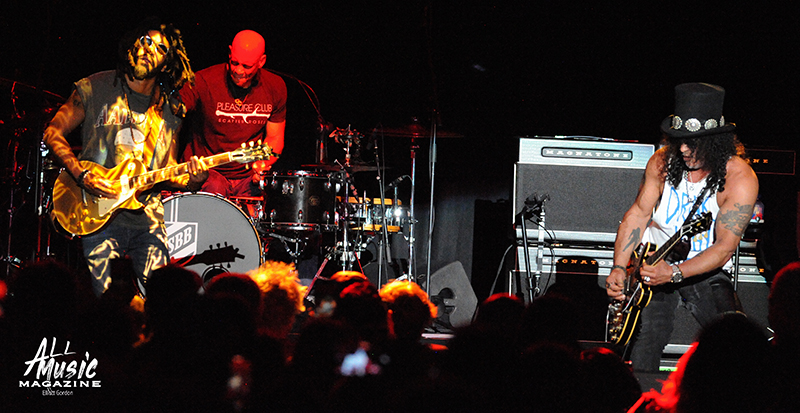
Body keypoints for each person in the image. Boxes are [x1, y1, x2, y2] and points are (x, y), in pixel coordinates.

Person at [43, 18, 209, 297]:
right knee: (107, 302)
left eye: (160, 48)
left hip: (148, 218)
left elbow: (167, 169)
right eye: (144, 41)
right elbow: (53, 132)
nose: (148, 49)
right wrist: (81, 174)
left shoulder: (170, 108)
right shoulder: (96, 86)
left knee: (162, 300)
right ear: (131, 45)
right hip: (96, 213)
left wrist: (193, 180)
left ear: (167, 64)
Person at [606, 82, 759, 372]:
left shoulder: (739, 177)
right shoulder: (662, 161)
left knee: (732, 341)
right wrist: (618, 266)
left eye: (694, 143)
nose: (684, 149)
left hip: (705, 267)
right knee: (647, 339)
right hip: (655, 262)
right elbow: (638, 214)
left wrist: (675, 273)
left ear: (715, 142)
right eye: (679, 141)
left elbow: (724, 247)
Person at [180, 29, 287, 197]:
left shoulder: (275, 86)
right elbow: (171, 114)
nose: (238, 70)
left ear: (261, 61)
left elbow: (275, 137)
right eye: (234, 62)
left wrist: (262, 165)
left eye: (247, 66)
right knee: (215, 187)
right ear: (230, 52)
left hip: (247, 176)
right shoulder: (204, 81)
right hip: (209, 173)